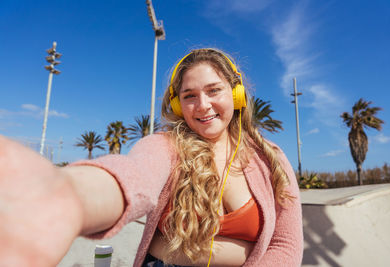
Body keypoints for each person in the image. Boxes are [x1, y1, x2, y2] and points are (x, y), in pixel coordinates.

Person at [0, 48, 303, 267]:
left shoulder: (270, 158)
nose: (203, 105)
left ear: (236, 95)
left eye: (214, 91)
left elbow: (286, 245)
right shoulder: (165, 146)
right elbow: (136, 176)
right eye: (189, 96)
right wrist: (70, 197)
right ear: (177, 104)